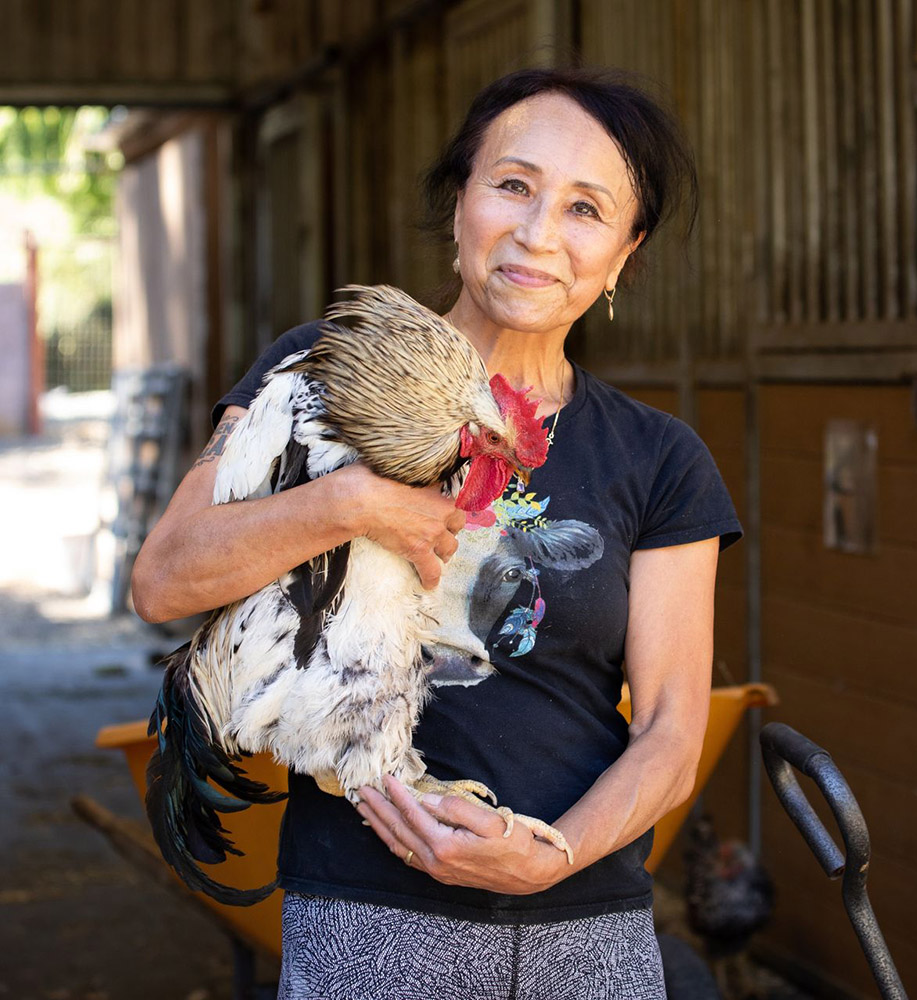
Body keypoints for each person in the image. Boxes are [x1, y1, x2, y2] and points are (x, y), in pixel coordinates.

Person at [132, 66, 742, 1000]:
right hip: (369, 918)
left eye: (586, 209)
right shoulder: (320, 372)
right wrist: (345, 505)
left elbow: (670, 732)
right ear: (461, 199)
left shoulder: (660, 460)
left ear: (624, 251)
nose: (539, 234)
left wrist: (553, 854)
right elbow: (164, 581)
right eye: (513, 186)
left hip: (589, 925)